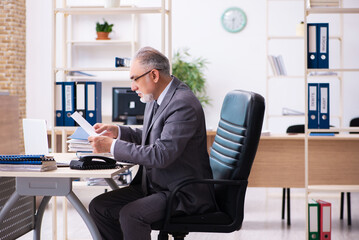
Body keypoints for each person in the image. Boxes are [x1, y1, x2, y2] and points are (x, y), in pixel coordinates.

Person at [88, 46, 216, 240]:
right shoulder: (155, 99)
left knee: (131, 214)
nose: (132, 87)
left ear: (154, 75)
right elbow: (151, 137)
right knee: (100, 207)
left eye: (134, 79)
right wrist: (118, 131)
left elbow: (161, 154)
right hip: (157, 185)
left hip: (181, 192)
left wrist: (111, 146)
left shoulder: (183, 104)